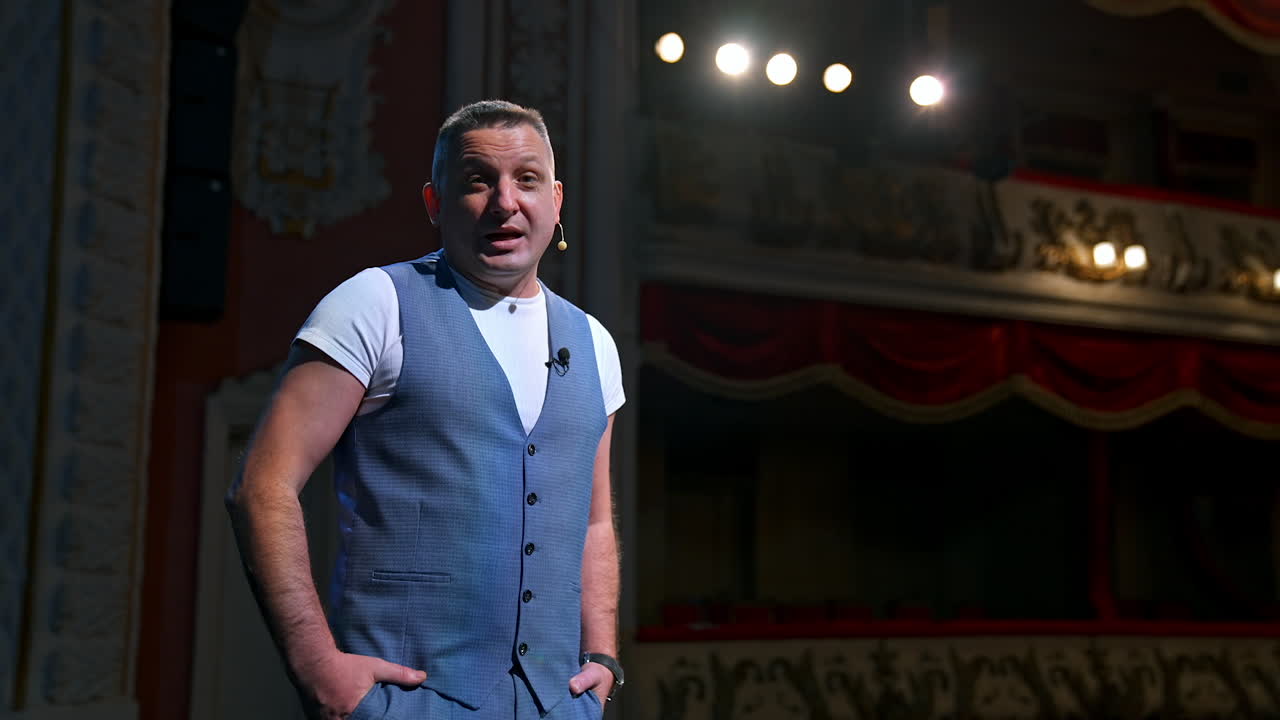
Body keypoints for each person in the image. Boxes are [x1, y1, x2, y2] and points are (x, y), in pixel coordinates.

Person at [226, 100, 625, 720]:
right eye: (476, 181)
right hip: (405, 703)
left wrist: (604, 656)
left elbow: (594, 522)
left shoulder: (595, 342)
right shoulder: (375, 303)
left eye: (526, 179)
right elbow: (262, 486)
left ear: (556, 200)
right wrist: (317, 667)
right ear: (435, 203)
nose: (504, 201)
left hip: (559, 705)